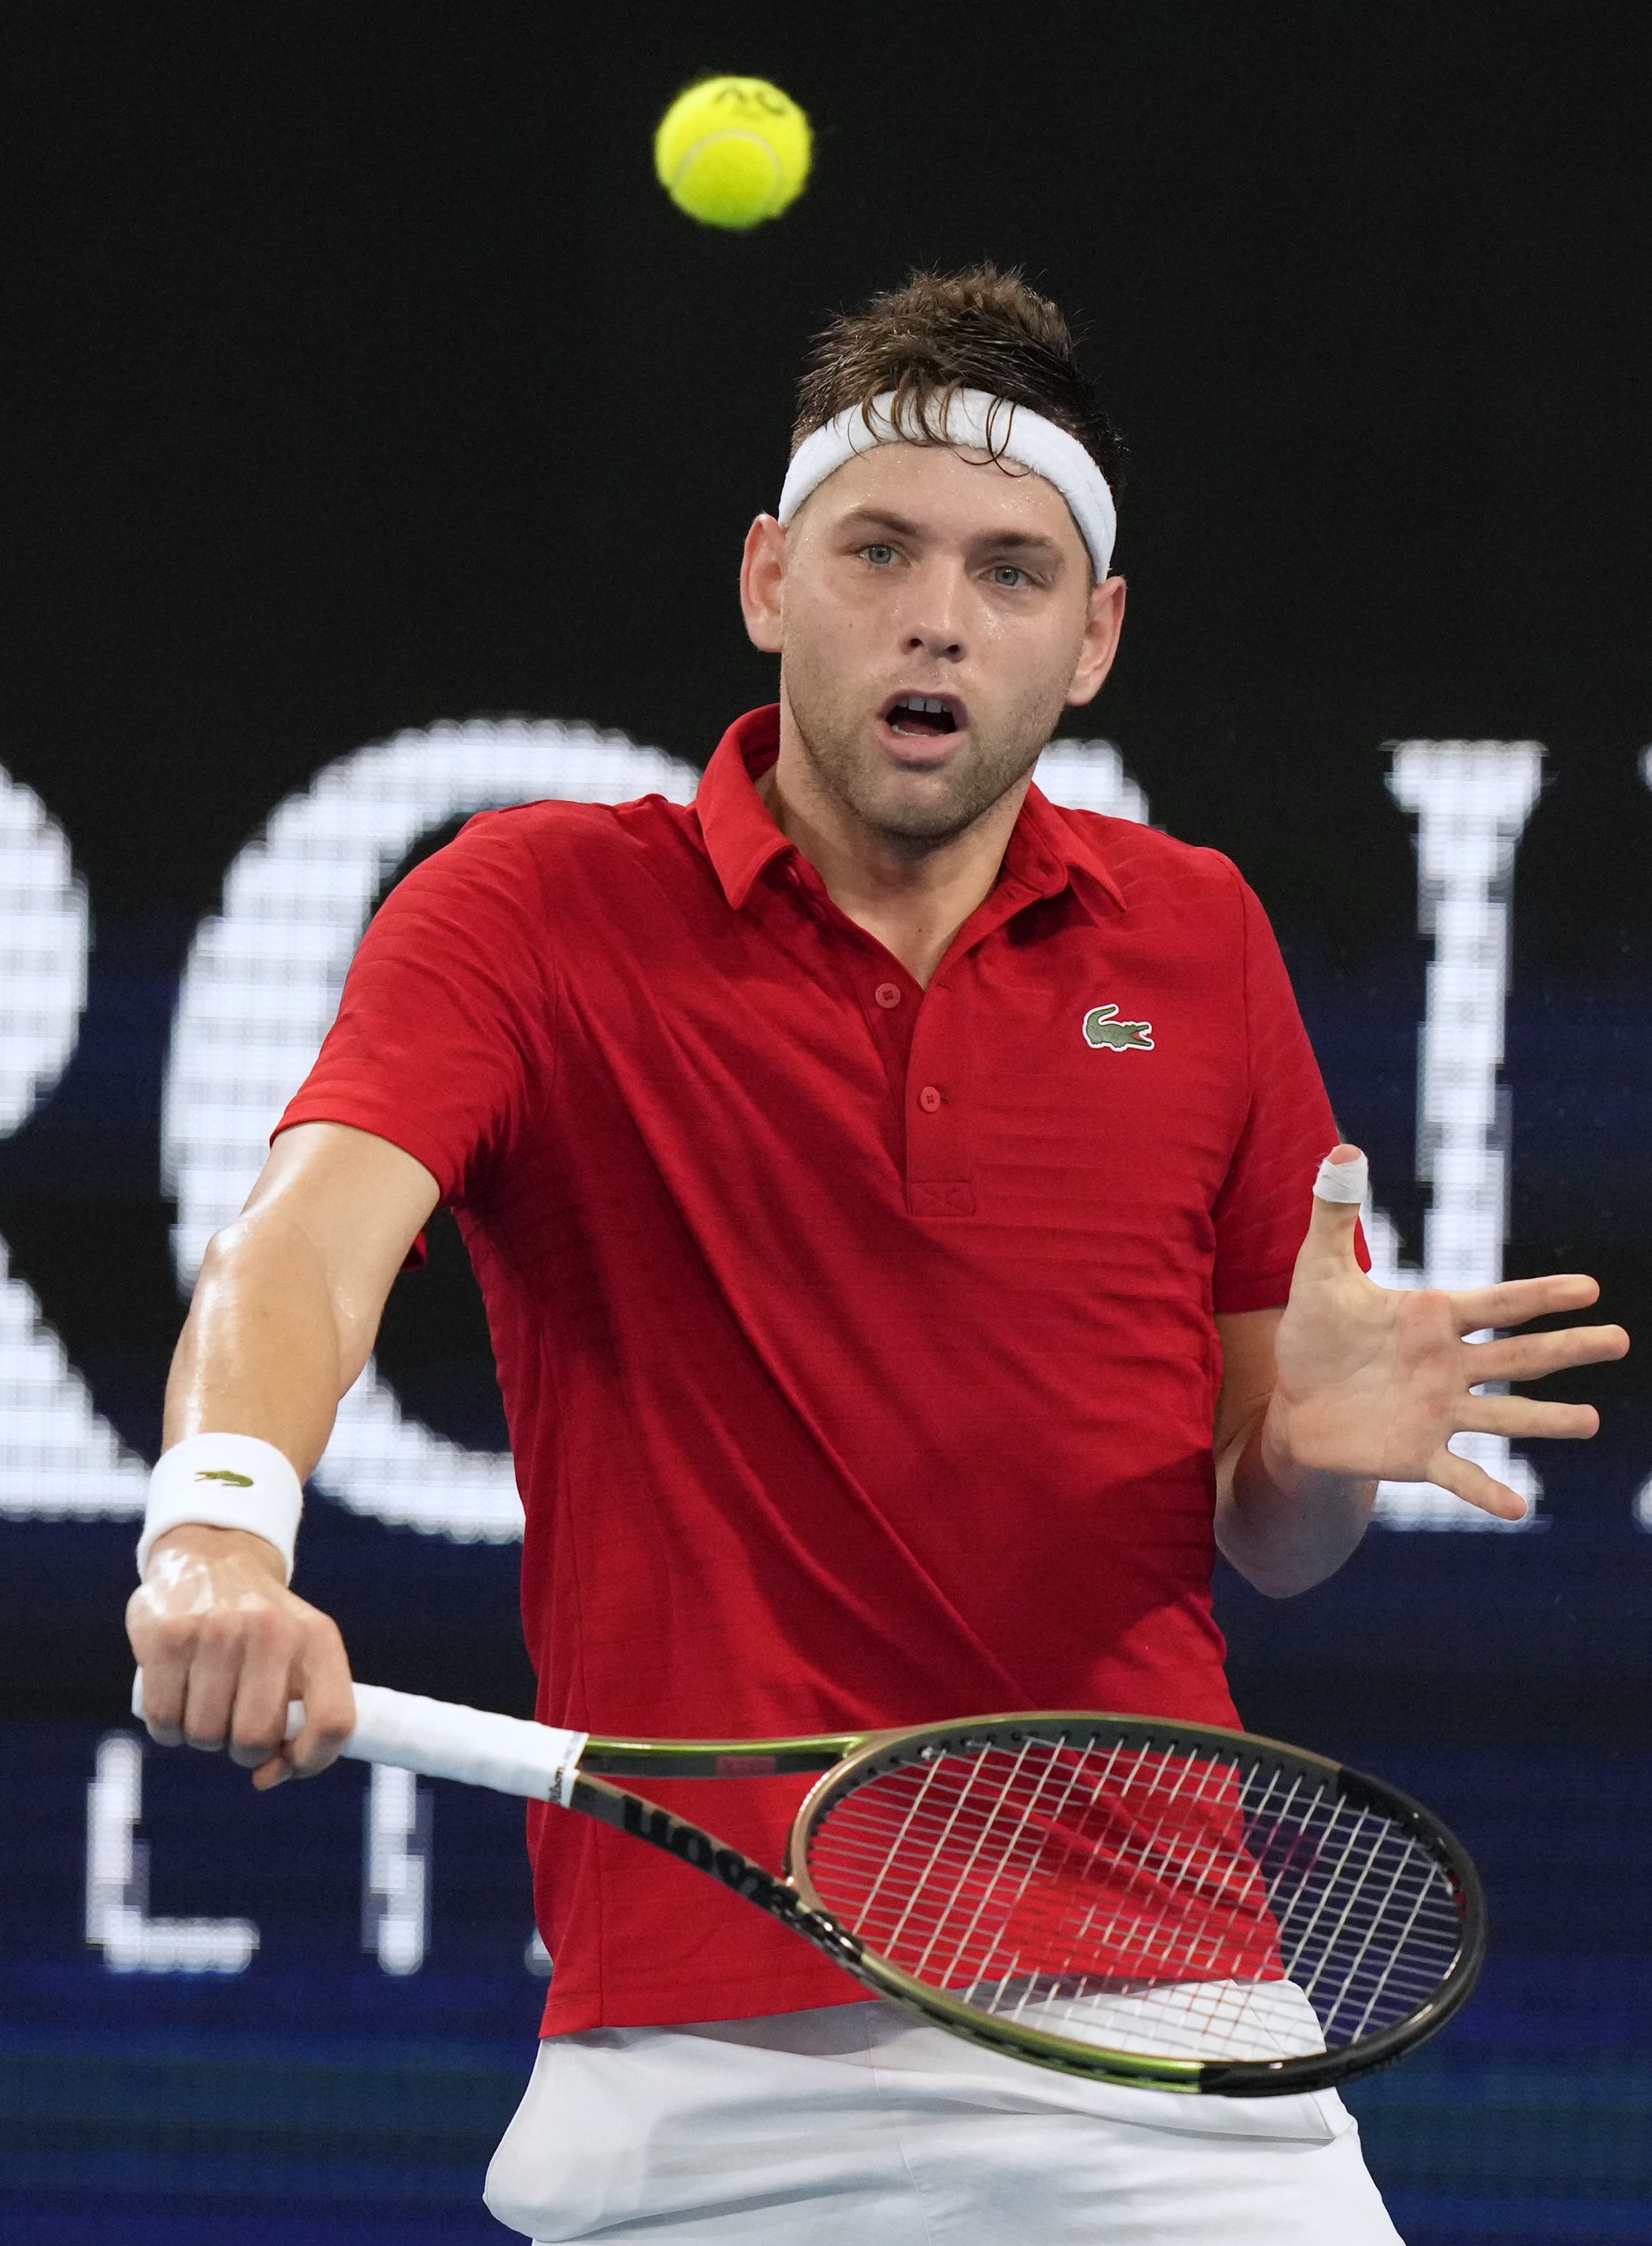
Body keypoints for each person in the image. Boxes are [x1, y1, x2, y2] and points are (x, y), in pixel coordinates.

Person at [125, 266, 1627, 2242]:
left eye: (1013, 573)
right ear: (769, 581)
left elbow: (1272, 1540)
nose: (938, 614)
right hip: (711, 2078)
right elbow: (303, 1248)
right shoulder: (529, 912)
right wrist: (219, 1527)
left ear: (1089, 640)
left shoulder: (1201, 938)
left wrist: (1307, 1459)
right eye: (881, 551)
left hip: (1176, 2040)